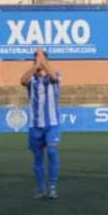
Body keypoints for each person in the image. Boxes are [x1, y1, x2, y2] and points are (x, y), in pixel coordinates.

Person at [20, 48, 61, 200]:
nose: (40, 63)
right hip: (35, 125)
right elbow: (22, 80)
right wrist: (36, 65)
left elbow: (53, 76)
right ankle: (41, 188)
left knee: (52, 152)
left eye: (42, 60)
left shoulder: (54, 75)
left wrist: (42, 59)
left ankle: (52, 186)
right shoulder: (32, 80)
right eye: (36, 59)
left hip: (52, 124)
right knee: (38, 157)